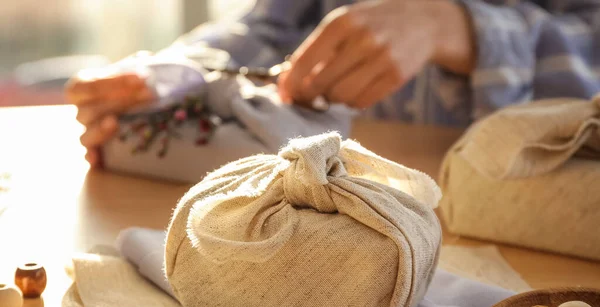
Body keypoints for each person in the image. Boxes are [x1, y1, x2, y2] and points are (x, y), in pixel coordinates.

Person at [66, 0, 600, 166]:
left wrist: (458, 27)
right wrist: (177, 72)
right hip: (326, 201)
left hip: (525, 213)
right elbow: (272, 26)